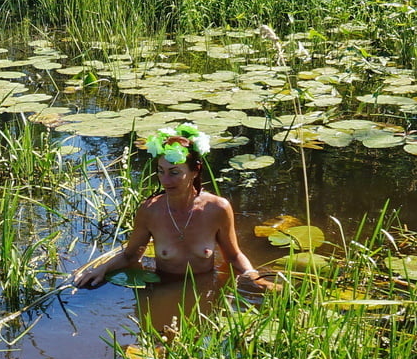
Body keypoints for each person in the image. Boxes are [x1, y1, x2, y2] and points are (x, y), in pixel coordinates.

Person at [73, 123, 273, 293]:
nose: (165, 180)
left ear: (195, 171)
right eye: (161, 171)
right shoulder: (150, 211)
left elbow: (233, 255)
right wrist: (102, 269)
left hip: (205, 288)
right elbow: (131, 255)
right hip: (163, 288)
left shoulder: (217, 209)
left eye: (175, 172)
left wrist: (253, 277)